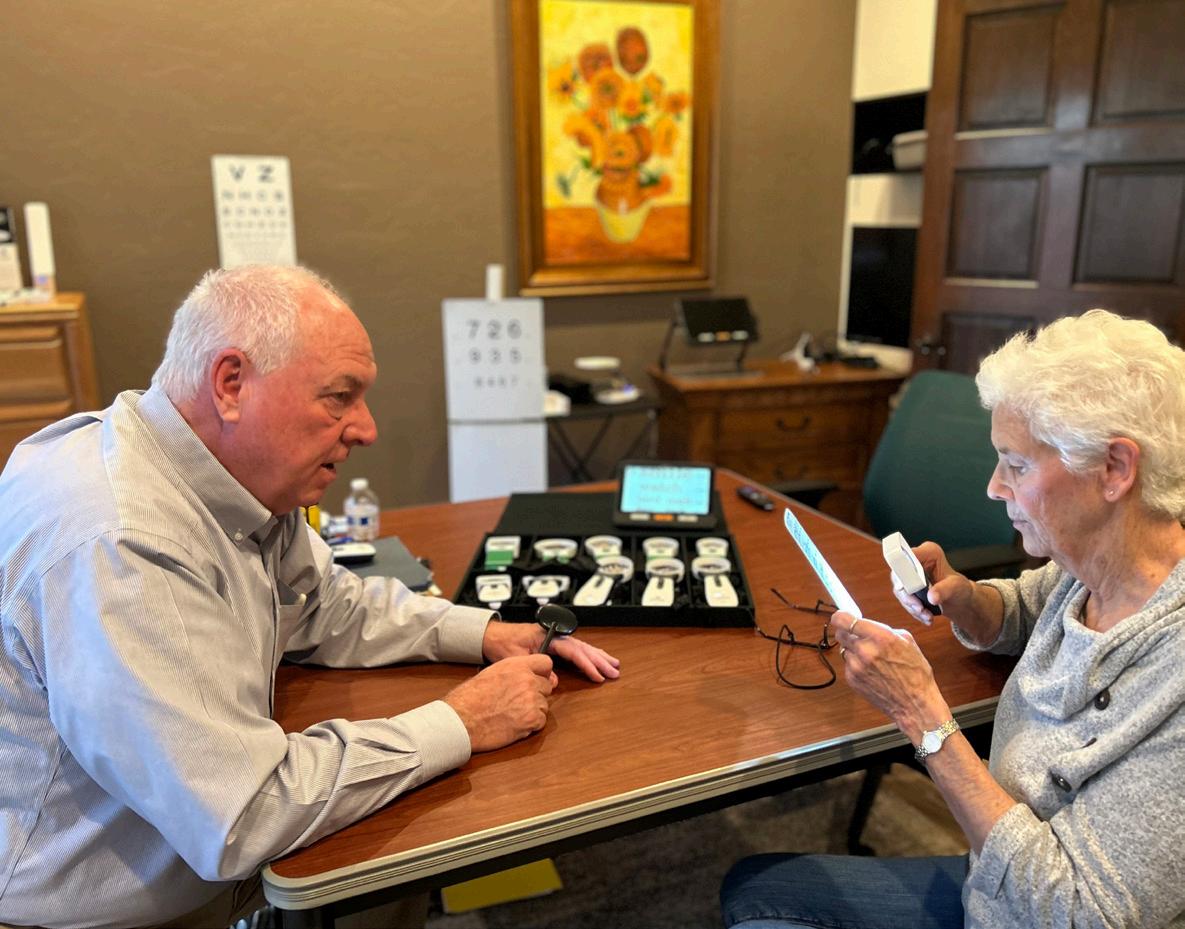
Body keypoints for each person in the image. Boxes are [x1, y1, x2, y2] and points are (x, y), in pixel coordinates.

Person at [0, 265, 620, 929]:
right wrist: (461, 720)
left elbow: (325, 604)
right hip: (96, 913)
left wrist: (484, 633)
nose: (366, 429)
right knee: (406, 832)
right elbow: (240, 815)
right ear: (230, 384)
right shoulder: (119, 543)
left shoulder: (225, 473)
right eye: (339, 398)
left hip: (194, 859)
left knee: (400, 845)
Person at [722, 309, 1185, 929]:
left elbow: (1079, 913)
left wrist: (922, 715)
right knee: (753, 890)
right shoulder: (1093, 572)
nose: (995, 487)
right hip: (992, 885)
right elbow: (1028, 608)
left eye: (1017, 465)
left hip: (1038, 908)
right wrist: (964, 597)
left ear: (1115, 469)